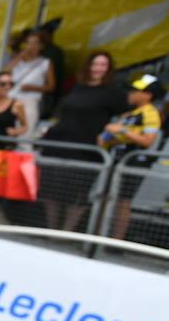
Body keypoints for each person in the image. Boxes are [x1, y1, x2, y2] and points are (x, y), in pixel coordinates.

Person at [39, 51, 129, 232]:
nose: (98, 69)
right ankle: (51, 229)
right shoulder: (78, 87)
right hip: (60, 143)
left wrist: (109, 133)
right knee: (52, 190)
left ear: (108, 68)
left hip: (88, 149)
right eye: (95, 64)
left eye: (102, 65)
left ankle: (67, 231)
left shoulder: (113, 91)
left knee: (78, 193)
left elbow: (125, 116)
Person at [100, 74, 164, 239]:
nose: (131, 93)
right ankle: (97, 235)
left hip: (134, 163)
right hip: (116, 159)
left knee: (123, 201)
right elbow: (109, 138)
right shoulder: (129, 114)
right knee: (105, 196)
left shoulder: (151, 114)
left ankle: (116, 241)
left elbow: (147, 141)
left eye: (136, 90)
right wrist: (106, 136)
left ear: (148, 95)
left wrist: (121, 130)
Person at [5, 30, 54, 140]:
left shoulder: (45, 63)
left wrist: (32, 88)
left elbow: (51, 86)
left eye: (35, 43)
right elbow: (5, 73)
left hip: (29, 101)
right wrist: (19, 57)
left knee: (24, 135)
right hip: (11, 99)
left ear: (41, 46)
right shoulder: (17, 60)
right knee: (7, 131)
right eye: (28, 43)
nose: (30, 46)